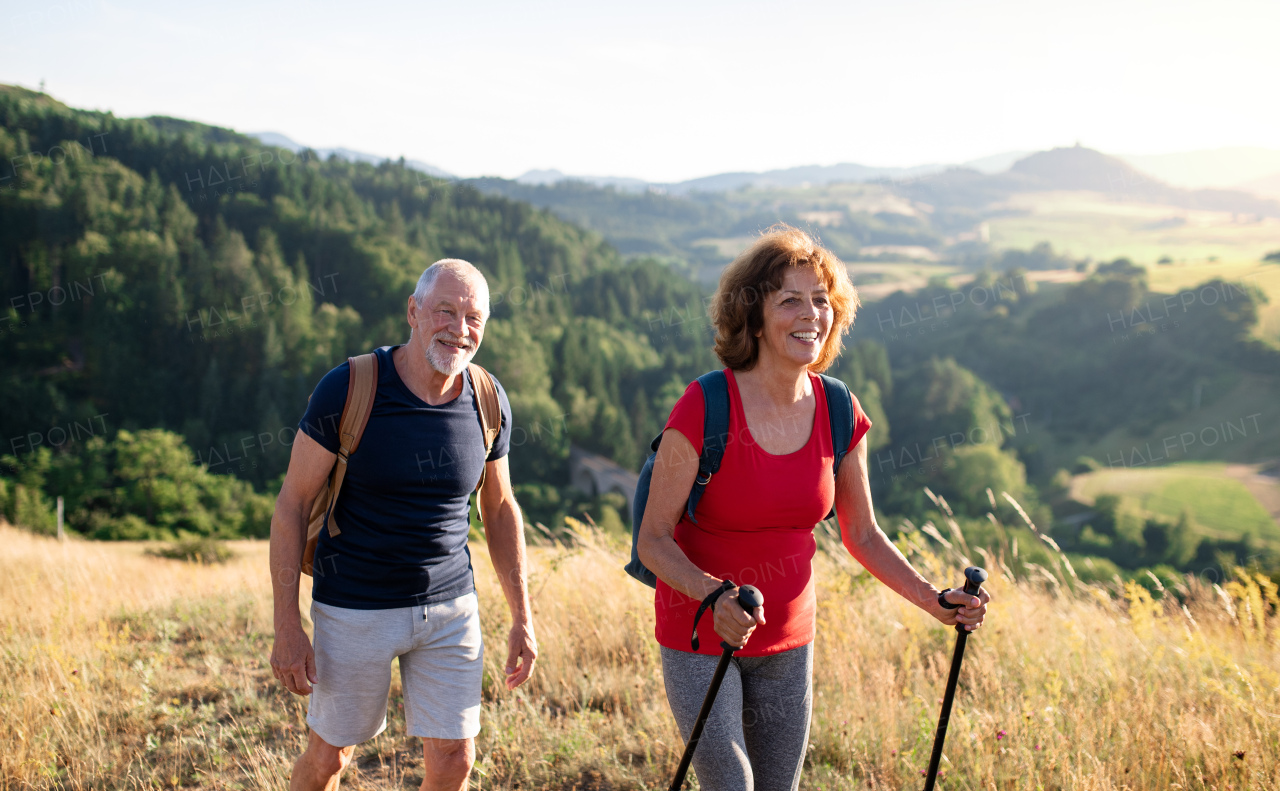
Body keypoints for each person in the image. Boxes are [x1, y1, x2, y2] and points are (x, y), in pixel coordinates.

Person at [637, 226, 991, 791]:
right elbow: (652, 540)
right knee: (731, 784)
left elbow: (864, 535)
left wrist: (934, 600)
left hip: (789, 639)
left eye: (822, 300)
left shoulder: (839, 408)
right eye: (790, 300)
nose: (811, 314)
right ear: (753, 316)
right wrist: (714, 596)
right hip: (702, 632)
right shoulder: (706, 404)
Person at [269, 259, 537, 791]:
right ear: (413, 312)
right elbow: (292, 505)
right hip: (354, 608)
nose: (460, 329)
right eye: (445, 311)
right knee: (330, 759)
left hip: (450, 609)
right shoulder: (349, 387)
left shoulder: (487, 397)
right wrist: (286, 626)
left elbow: (501, 507)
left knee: (456, 760)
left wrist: (521, 616)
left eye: (473, 317)